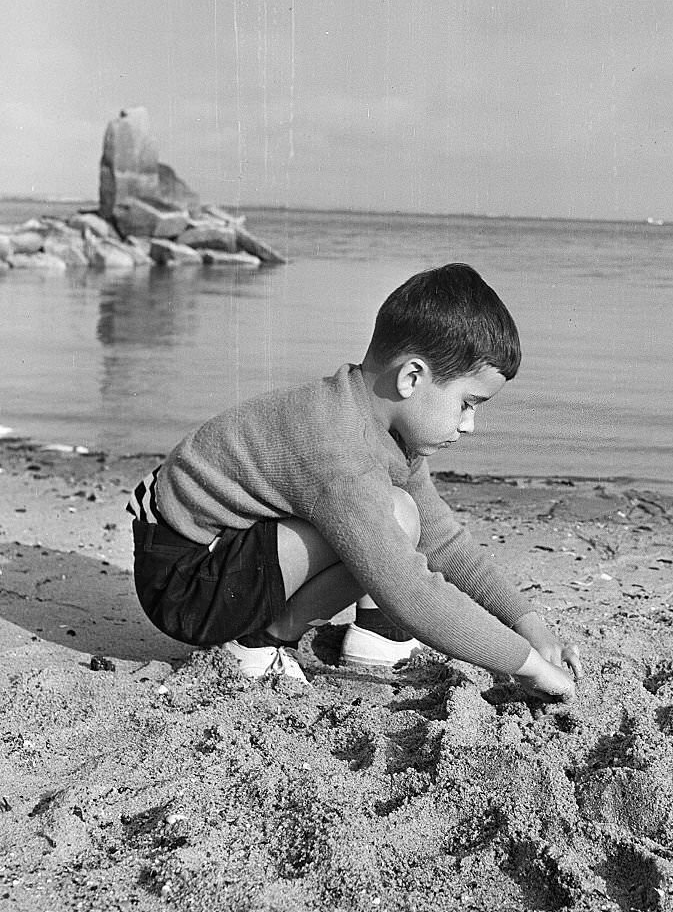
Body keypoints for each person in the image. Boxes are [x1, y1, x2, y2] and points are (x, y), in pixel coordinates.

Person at [126, 263, 581, 700]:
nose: (469, 425)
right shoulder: (338, 446)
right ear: (411, 378)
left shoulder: (377, 424)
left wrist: (528, 625)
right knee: (391, 520)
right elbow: (410, 593)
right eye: (467, 403)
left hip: (226, 550)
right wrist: (529, 667)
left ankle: (378, 636)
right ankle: (258, 644)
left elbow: (444, 541)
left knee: (401, 513)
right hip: (186, 587)